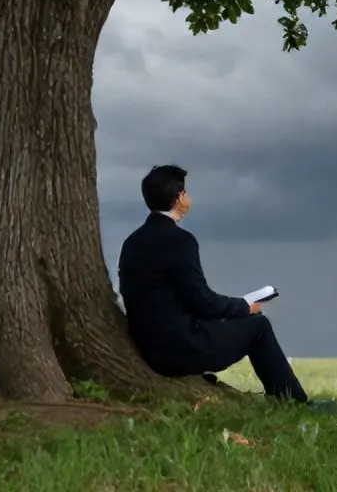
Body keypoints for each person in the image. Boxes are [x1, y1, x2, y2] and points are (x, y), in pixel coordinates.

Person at [117, 164, 314, 403]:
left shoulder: (132, 242)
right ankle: (295, 401)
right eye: (185, 193)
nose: (188, 198)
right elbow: (201, 301)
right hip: (178, 349)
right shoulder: (180, 241)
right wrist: (244, 307)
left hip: (148, 347)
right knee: (258, 326)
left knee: (239, 323)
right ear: (178, 198)